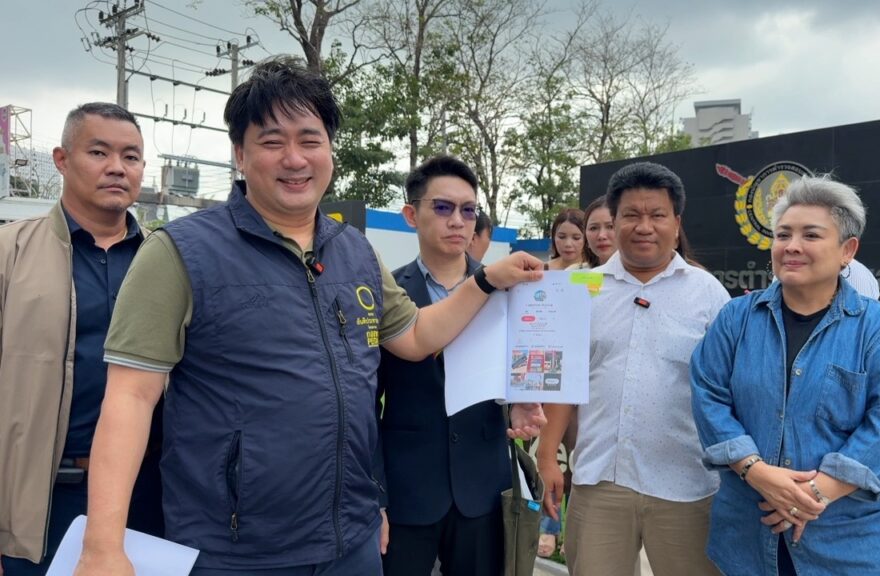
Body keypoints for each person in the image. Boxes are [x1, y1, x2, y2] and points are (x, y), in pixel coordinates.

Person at [73, 58, 545, 576]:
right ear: (240, 153)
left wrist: (484, 281)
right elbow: (130, 398)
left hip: (351, 542)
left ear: (330, 150)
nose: (294, 158)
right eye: (272, 141)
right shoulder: (180, 252)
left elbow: (414, 336)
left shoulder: (355, 252)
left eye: (310, 139)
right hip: (236, 551)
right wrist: (103, 546)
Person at [690, 175, 880, 576]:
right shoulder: (736, 320)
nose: (792, 246)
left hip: (848, 544)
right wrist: (755, 471)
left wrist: (809, 496)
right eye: (783, 235)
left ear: (847, 250)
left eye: (810, 235)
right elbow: (708, 394)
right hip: (748, 533)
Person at [538, 162, 728, 576]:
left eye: (657, 215)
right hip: (600, 481)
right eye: (631, 215)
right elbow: (565, 379)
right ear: (615, 220)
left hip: (686, 485)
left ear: (676, 223)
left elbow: (728, 389)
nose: (644, 226)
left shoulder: (708, 293)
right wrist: (548, 456)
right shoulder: (582, 288)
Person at [0, 103, 163, 575]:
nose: (117, 167)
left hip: (150, 493)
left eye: (130, 157)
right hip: (40, 497)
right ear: (62, 159)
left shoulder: (167, 260)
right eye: (98, 152)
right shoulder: (11, 253)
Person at [375, 156, 514, 575]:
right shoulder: (385, 293)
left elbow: (522, 372)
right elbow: (365, 402)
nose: (457, 221)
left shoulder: (507, 291)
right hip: (407, 488)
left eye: (468, 210)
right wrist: (374, 493)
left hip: (482, 487)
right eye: (442, 207)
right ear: (410, 215)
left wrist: (526, 402)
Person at [538, 195, 616, 559]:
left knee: (582, 461)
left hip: (599, 396)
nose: (570, 243)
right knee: (552, 456)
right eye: (594, 228)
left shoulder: (590, 277)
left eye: (608, 227)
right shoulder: (557, 275)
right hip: (559, 382)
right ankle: (549, 526)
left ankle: (576, 530)